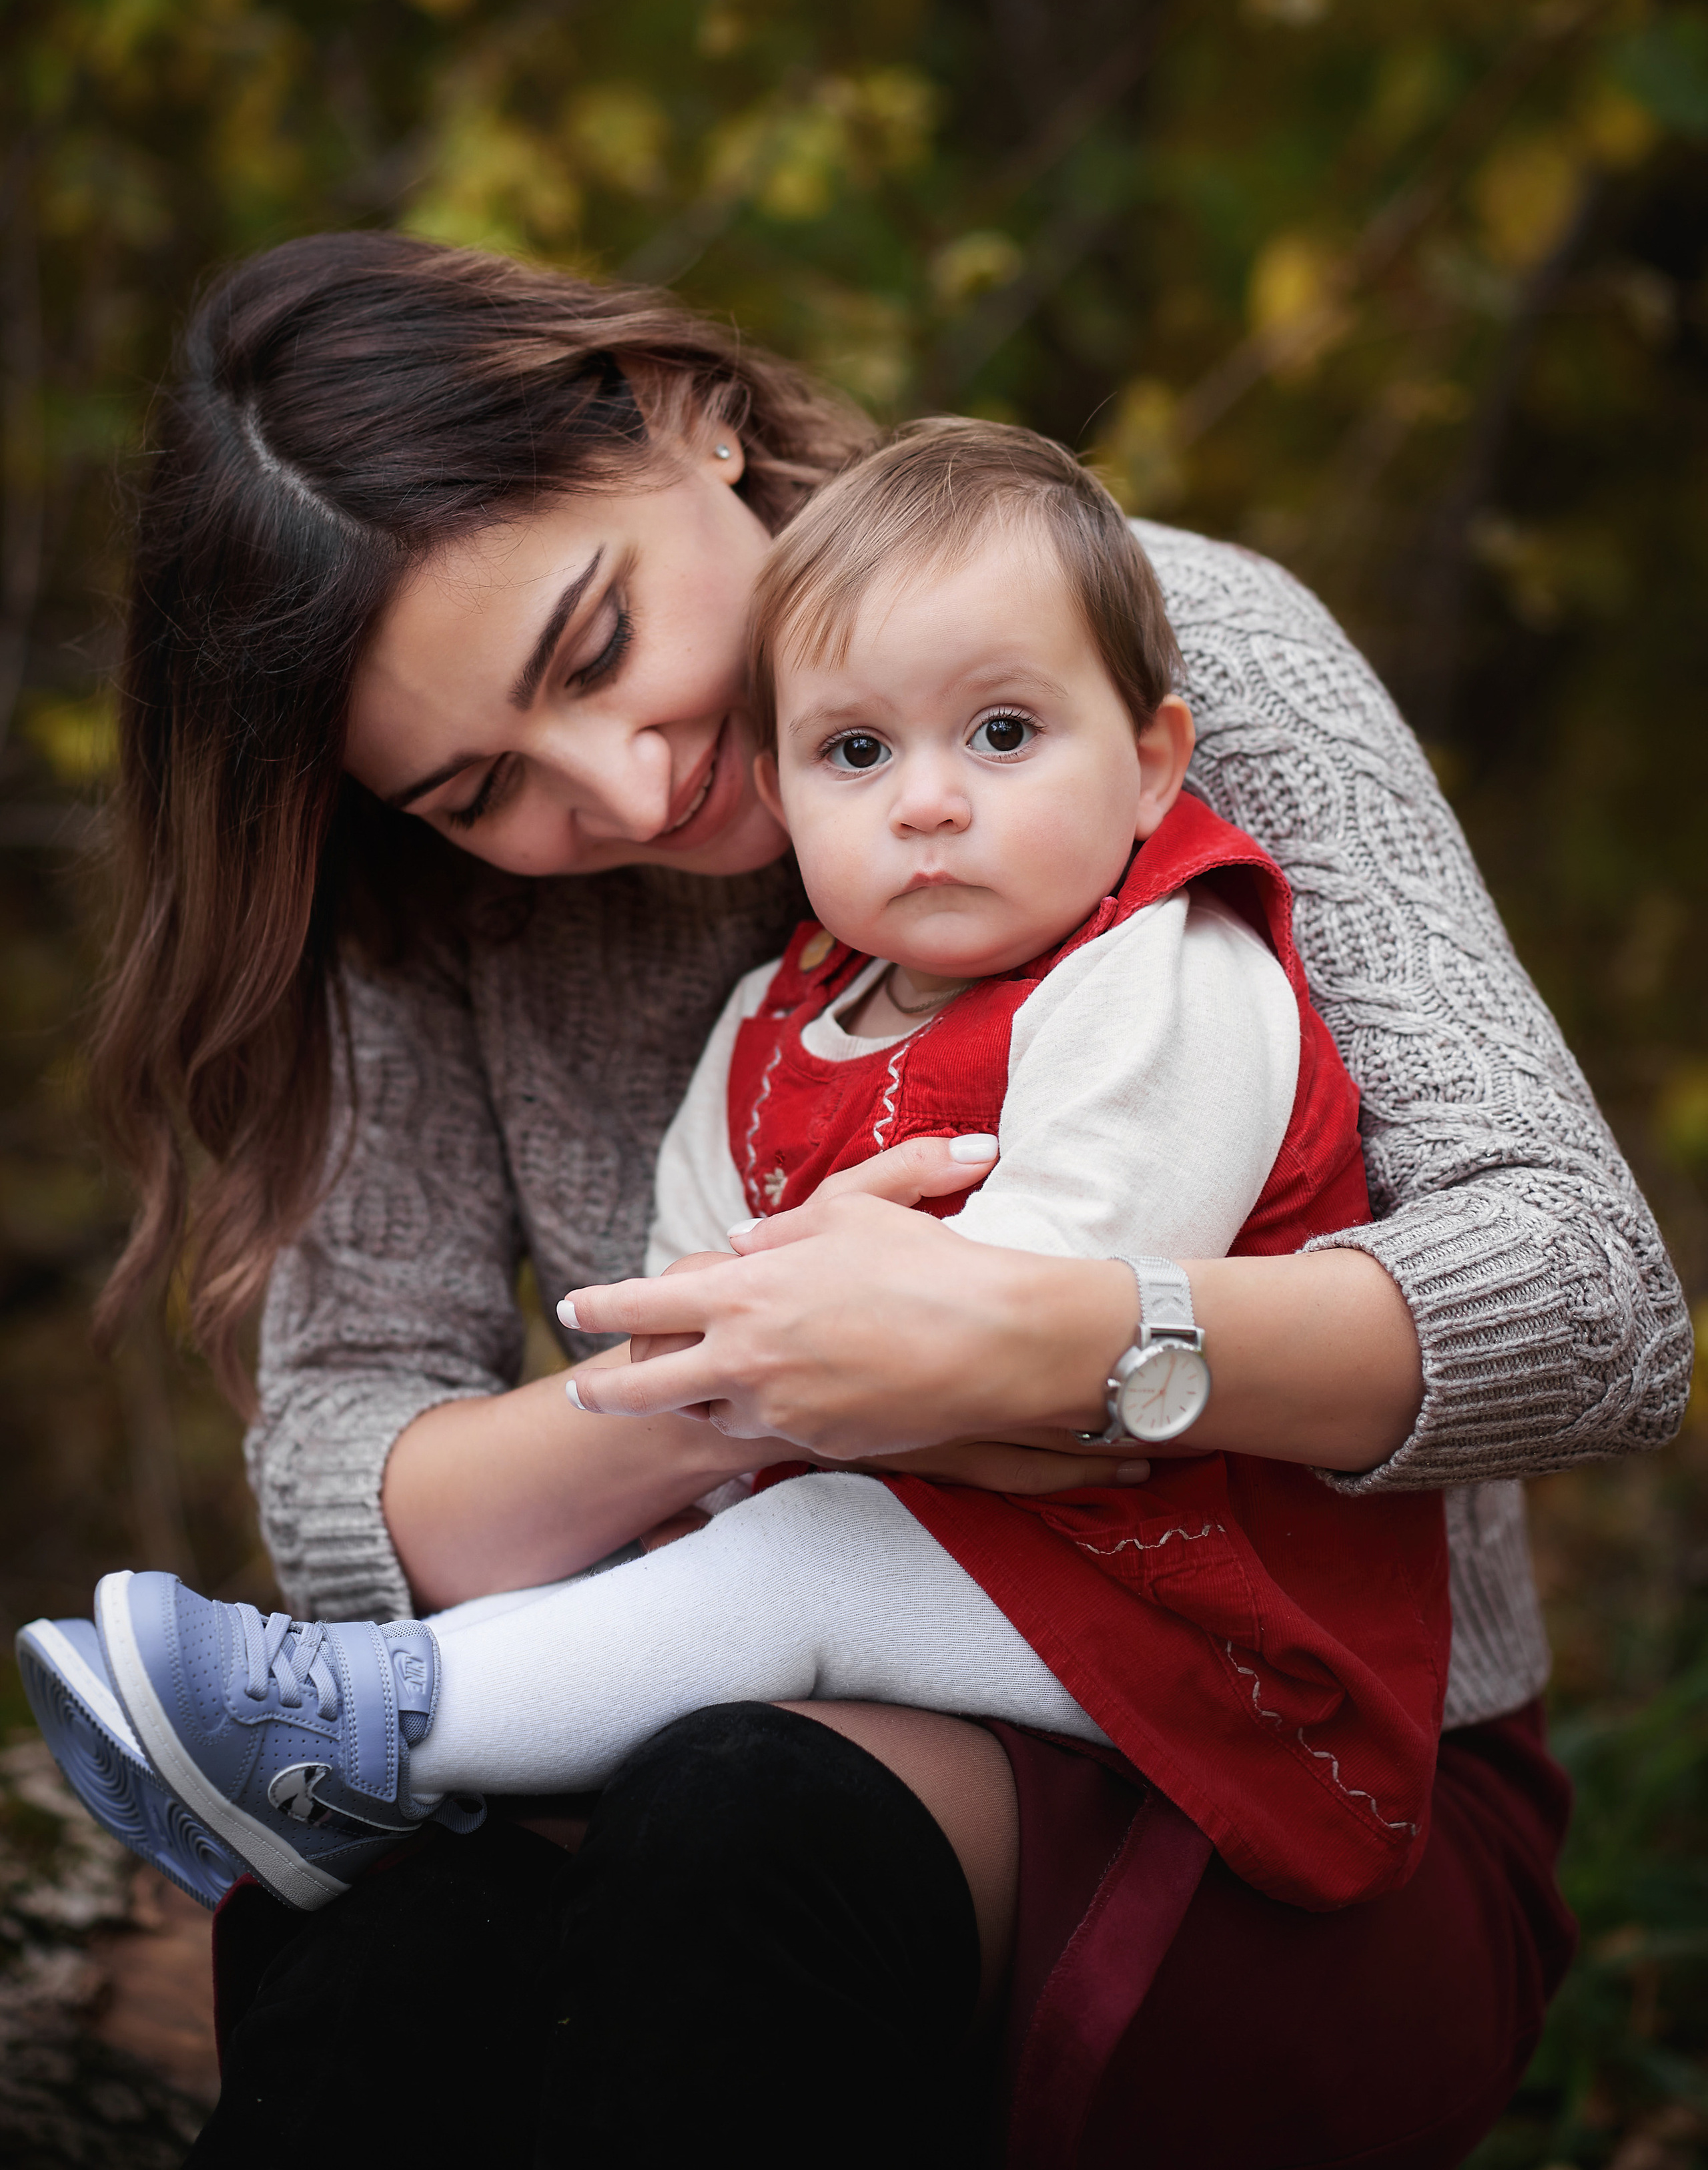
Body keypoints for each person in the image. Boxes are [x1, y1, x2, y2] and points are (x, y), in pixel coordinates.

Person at [11, 232, 1691, 2165]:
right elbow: (346, 1477)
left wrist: (1042, 1337)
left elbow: (1591, 1300)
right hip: (736, 1699)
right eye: (483, 785)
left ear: (689, 417)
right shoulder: (442, 915)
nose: (617, 793)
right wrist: (754, 1375)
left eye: (595, 648)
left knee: (743, 1824)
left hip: (1298, 1782)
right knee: (387, 1913)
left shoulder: (1139, 650)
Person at [67, 422, 1448, 1926]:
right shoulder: (782, 1019)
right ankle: (354, 1772)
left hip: (1204, 1613)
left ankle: (371, 1725)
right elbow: (675, 1302)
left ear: (1150, 763)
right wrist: (747, 1369)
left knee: (801, 1569)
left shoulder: (1158, 967)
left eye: (1000, 738)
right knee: (467, 1898)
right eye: (857, 754)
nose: (925, 800)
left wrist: (807, 1373)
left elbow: (1045, 1295)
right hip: (924, 1583)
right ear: (798, 798)